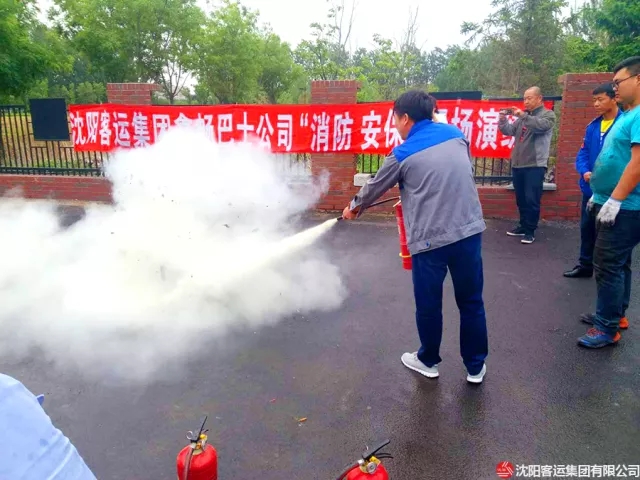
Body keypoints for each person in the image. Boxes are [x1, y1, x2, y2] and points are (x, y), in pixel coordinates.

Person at [341, 90, 489, 384]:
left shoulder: (402, 153)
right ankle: (475, 367)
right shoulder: (456, 135)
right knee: (471, 301)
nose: (395, 125)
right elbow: (452, 173)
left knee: (429, 304)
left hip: (429, 241)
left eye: (395, 119)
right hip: (468, 232)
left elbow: (374, 187)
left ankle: (428, 360)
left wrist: (353, 208)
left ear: (406, 118)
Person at [578, 56, 640, 348]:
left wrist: (614, 200)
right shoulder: (628, 114)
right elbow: (614, 157)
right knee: (619, 263)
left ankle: (606, 327)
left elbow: (637, 163)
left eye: (618, 82)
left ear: (637, 79)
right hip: (610, 201)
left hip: (625, 208)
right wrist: (599, 194)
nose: (615, 88)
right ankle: (615, 315)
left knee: (607, 265)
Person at [564, 84, 622, 279]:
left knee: (609, 235)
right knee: (587, 228)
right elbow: (583, 152)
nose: (596, 104)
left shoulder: (624, 124)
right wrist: (585, 171)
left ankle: (604, 270)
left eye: (600, 99)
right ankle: (585, 265)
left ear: (614, 99)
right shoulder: (593, 126)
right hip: (591, 189)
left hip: (614, 191)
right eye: (594, 100)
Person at [498, 87, 556, 244]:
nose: (526, 101)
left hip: (535, 165)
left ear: (539, 98)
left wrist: (523, 116)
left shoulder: (548, 115)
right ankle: (523, 226)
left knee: (532, 199)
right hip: (519, 164)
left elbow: (540, 126)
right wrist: (502, 119)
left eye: (529, 98)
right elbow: (509, 130)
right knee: (521, 199)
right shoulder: (523, 117)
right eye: (524, 98)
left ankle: (530, 230)